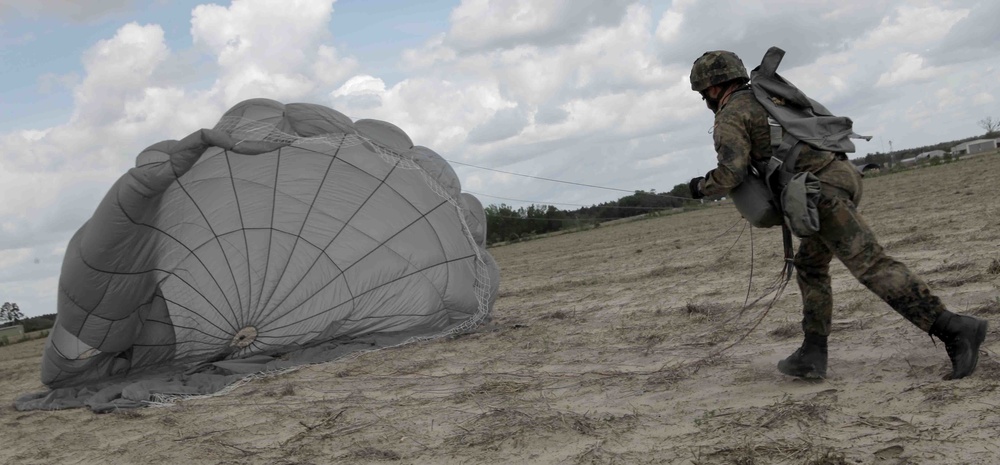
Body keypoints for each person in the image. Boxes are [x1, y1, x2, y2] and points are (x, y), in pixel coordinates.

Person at [686, 50, 988, 380]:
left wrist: (701, 187)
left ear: (713, 89)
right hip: (841, 174)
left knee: (872, 265)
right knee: (811, 266)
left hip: (821, 193)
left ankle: (954, 328)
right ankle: (813, 354)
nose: (706, 100)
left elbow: (731, 173)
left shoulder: (731, 114)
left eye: (703, 93)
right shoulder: (768, 95)